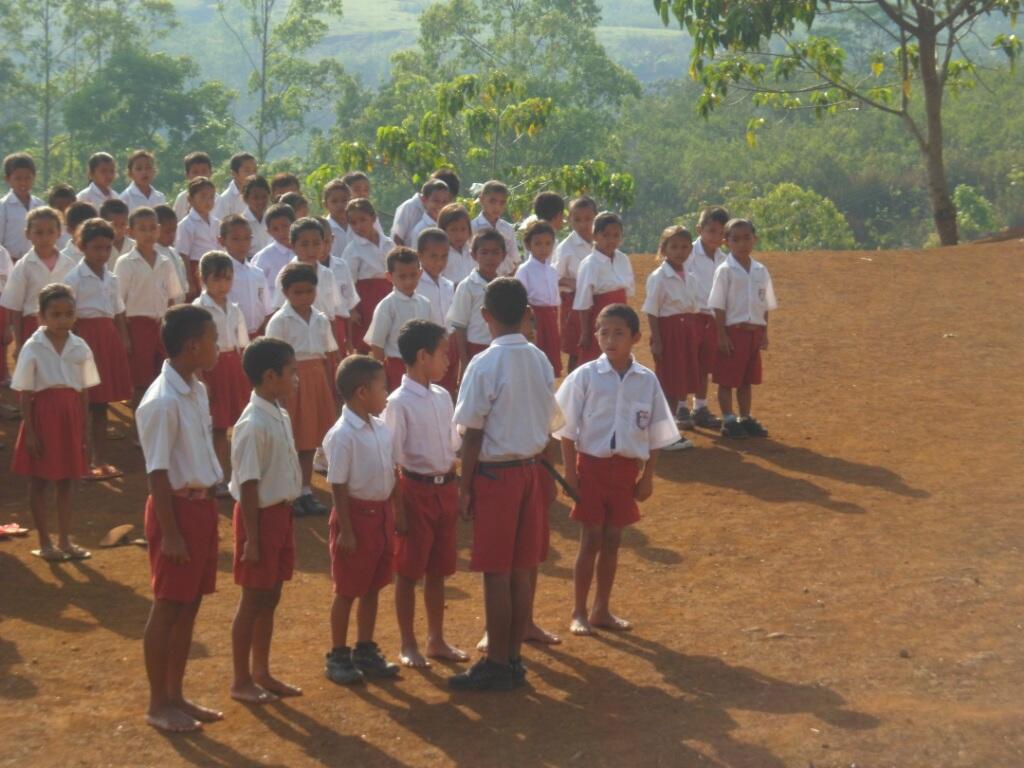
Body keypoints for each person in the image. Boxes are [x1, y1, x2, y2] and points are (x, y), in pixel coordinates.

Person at [448, 277, 558, 691]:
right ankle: (513, 658)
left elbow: (472, 431)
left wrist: (465, 486)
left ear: (485, 317)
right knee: (522, 567)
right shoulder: (540, 359)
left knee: (496, 570)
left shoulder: (484, 363)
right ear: (527, 313)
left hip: (497, 475)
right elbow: (550, 424)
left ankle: (497, 661)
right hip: (531, 469)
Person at [555, 303, 680, 636]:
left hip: (626, 472)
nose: (610, 340)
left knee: (613, 539)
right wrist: (570, 475)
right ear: (595, 335)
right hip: (591, 469)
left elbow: (655, 432)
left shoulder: (647, 381)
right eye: (604, 332)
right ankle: (579, 611)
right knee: (590, 539)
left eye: (619, 333)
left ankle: (602, 609)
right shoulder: (584, 376)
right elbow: (565, 430)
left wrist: (648, 476)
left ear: (636, 338)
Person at [137, 304, 224, 733]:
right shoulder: (162, 401)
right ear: (193, 345)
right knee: (169, 607)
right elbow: (156, 472)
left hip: (200, 506)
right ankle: (158, 703)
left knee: (189, 606)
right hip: (176, 511)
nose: (218, 347)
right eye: (213, 338)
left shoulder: (196, 388)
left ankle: (176, 695)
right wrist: (170, 533)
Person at [384, 320, 468, 667]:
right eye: (443, 353)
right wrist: (398, 509)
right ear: (422, 356)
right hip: (414, 491)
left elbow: (452, 446)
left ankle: (436, 639)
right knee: (408, 572)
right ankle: (408, 643)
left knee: (438, 569)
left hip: (444, 489)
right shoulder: (398, 402)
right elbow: (390, 459)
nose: (448, 360)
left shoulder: (443, 395)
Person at [229, 337, 304, 704]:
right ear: (271, 376)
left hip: (280, 515)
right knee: (252, 599)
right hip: (259, 519)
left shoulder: (279, 411)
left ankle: (262, 671)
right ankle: (241, 679)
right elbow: (248, 483)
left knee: (270, 595)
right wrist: (253, 539)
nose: (296, 380)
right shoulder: (253, 422)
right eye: (292, 372)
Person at [323, 355, 401, 685]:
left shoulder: (380, 427)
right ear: (361, 392)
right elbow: (337, 483)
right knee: (348, 589)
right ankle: (338, 654)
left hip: (380, 515)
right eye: (382, 387)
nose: (387, 393)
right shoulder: (343, 435)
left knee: (373, 585)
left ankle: (365, 648)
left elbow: (392, 474)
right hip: (355, 517)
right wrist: (347, 530)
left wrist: (396, 513)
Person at [11, 284, 98, 562]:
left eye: (68, 314)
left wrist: (85, 427)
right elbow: (25, 392)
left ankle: (65, 540)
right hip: (43, 415)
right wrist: (32, 433)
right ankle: (45, 542)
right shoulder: (33, 346)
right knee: (40, 480)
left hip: (71, 415)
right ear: (41, 316)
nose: (62, 320)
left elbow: (84, 391)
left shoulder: (79, 345)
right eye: (56, 314)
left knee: (67, 480)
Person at [264, 263, 336, 517]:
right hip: (290, 382)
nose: (304, 297)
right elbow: (272, 359)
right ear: (285, 292)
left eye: (309, 291)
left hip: (315, 380)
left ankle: (305, 490)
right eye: (298, 292)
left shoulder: (321, 318)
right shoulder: (279, 321)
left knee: (309, 441)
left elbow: (327, 354)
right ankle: (289, 491)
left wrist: (329, 386)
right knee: (290, 440)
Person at [64, 218, 132, 479]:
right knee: (83, 403)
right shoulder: (73, 278)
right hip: (84, 339)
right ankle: (79, 460)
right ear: (82, 247)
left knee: (101, 403)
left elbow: (118, 312)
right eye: (96, 248)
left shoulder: (112, 278)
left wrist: (124, 337)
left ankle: (99, 460)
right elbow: (68, 316)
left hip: (108, 339)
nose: (102, 254)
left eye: (107, 248)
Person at [708, 218, 778, 439]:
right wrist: (721, 334)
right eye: (735, 239)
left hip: (753, 331)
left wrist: (764, 332)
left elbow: (764, 303)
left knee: (747, 379)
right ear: (726, 242)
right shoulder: (725, 270)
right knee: (727, 379)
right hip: (733, 331)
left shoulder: (760, 270)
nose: (742, 244)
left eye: (747, 238)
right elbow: (717, 305)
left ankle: (745, 417)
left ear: (754, 239)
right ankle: (728, 419)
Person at [194, 251, 251, 497]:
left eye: (227, 279)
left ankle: (237, 476)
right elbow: (194, 347)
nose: (223, 285)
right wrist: (199, 376)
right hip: (211, 367)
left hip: (233, 367)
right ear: (203, 279)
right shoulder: (198, 309)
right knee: (217, 427)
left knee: (238, 424)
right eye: (216, 279)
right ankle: (218, 477)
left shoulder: (234, 308)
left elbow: (243, 344)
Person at [113, 207, 183, 406]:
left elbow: (171, 298)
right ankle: (139, 429)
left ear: (159, 230)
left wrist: (170, 329)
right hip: (136, 327)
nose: (148, 233)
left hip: (160, 325)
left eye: (152, 228)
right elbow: (119, 303)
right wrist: (125, 336)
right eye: (142, 229)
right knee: (140, 382)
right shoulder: (125, 262)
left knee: (162, 377)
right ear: (130, 232)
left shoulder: (165, 261)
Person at [642, 225, 701, 449]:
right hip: (669, 332)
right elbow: (652, 310)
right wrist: (657, 339)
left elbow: (693, 308)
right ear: (664, 249)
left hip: (685, 331)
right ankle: (662, 434)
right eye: (674, 246)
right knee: (668, 382)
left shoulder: (690, 277)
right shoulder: (659, 277)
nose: (680, 251)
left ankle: (670, 430)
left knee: (680, 383)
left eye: (685, 246)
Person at [0, 207, 76, 355]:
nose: (45, 238)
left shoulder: (69, 264)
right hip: (32, 327)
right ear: (27, 234)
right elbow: (16, 308)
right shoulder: (23, 266)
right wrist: (20, 343)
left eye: (50, 232)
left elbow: (75, 301)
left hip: (64, 327)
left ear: (59, 233)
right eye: (39, 232)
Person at [685, 206, 730, 429]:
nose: (716, 237)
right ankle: (680, 407)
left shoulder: (724, 259)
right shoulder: (687, 253)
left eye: (721, 233)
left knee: (705, 365)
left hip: (712, 318)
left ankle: (699, 406)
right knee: (686, 363)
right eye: (711, 231)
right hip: (692, 316)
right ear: (699, 229)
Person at [365, 246, 431, 391]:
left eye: (413, 275)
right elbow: (377, 345)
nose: (408, 281)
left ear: (420, 273)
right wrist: (380, 377)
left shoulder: (425, 303)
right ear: (389, 276)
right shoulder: (387, 306)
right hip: (396, 367)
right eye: (402, 276)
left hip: (422, 366)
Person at [573, 211, 634, 365]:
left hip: (621, 314)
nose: (611, 240)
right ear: (595, 236)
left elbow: (628, 291)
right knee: (597, 359)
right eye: (606, 235)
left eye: (616, 235)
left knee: (620, 357)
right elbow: (583, 302)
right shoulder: (590, 264)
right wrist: (586, 332)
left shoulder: (623, 259)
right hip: (599, 318)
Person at [447, 229, 505, 383]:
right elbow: (459, 326)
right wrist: (464, 362)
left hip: (499, 347)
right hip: (475, 348)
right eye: (484, 252)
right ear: (474, 255)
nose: (490, 258)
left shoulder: (504, 285)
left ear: (503, 255)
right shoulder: (467, 286)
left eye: (495, 252)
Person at [340, 197, 395, 353]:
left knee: (390, 335)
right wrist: (352, 309)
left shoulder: (389, 244)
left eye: (363, 220)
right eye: (353, 222)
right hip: (366, 299)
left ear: (373, 217)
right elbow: (347, 281)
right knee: (368, 340)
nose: (359, 226)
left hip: (389, 290)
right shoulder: (352, 250)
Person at [554, 196, 597, 373]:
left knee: (597, 345)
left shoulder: (600, 242)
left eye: (588, 219)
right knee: (576, 348)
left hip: (596, 301)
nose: (583, 224)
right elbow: (554, 276)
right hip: (573, 303)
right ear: (569, 219)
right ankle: (572, 389)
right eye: (577, 219)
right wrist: (572, 282)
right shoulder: (566, 247)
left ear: (596, 217)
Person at [414, 228, 458, 396]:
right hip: (426, 346)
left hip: (448, 343)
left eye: (444, 256)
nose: (439, 262)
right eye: (433, 256)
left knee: (447, 390)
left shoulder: (448, 285)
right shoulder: (415, 284)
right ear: (420, 255)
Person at [515, 220, 562, 376]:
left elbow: (555, 299)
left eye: (548, 244)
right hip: (534, 317)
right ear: (528, 245)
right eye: (538, 244)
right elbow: (520, 298)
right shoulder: (524, 270)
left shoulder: (552, 271)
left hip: (550, 317)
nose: (544, 248)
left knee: (550, 357)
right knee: (535, 358)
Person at [220, 215, 271, 337]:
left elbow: (266, 308)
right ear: (222, 241)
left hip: (257, 333)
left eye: (247, 238)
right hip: (230, 335)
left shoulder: (257, 273)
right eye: (235, 239)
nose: (242, 244)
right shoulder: (220, 273)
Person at [175, 177, 221, 299]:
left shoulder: (216, 222)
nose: (208, 201)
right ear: (190, 199)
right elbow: (183, 255)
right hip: (196, 269)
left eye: (211, 197)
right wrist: (190, 282)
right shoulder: (187, 224)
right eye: (203, 197)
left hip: (216, 268)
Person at [391, 168, 461, 246]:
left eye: (446, 200)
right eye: (437, 200)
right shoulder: (409, 207)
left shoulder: (444, 213)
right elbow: (396, 238)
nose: (442, 205)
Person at [1, 152, 44, 260]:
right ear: (8, 179)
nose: (23, 182)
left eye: (27, 178)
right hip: (9, 264)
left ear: (34, 177)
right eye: (18, 178)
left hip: (35, 263)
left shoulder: (40, 205)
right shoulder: (3, 207)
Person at [471, 180, 519, 276]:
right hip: (480, 278)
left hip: (505, 277)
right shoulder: (472, 227)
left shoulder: (508, 228)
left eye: (502, 203)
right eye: (492, 201)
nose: (497, 207)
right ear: (481, 200)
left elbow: (514, 259)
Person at [251, 203, 296, 304]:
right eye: (275, 229)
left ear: (294, 224)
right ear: (268, 232)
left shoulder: (304, 251)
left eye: (285, 226)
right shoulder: (263, 257)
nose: (282, 232)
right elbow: (256, 289)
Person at [154, 204, 188, 304]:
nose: (172, 235)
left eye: (174, 230)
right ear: (156, 229)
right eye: (167, 231)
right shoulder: (154, 254)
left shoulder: (173, 252)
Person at [407, 179, 452, 246]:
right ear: (424, 200)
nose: (440, 205)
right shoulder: (420, 230)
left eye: (444, 202)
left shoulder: (452, 226)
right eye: (436, 201)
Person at [438, 203, 474, 284]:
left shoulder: (473, 251)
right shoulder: (440, 255)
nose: (459, 235)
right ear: (443, 230)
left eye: (463, 229)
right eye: (453, 230)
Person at [215, 152, 258, 219]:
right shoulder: (225, 200)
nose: (252, 174)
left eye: (255, 171)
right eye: (247, 171)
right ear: (234, 173)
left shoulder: (259, 195)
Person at [172, 152, 214, 219]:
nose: (200, 175)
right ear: (187, 175)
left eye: (204, 171)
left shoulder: (218, 200)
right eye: (195, 172)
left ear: (211, 173)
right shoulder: (182, 199)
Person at [242, 175, 272, 256]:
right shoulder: (241, 224)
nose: (260, 201)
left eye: (264, 197)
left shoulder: (273, 220)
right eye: (255, 197)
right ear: (246, 198)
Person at [321, 179, 352, 259]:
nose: (340, 205)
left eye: (344, 200)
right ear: (325, 204)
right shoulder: (323, 228)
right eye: (334, 201)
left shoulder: (358, 224)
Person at [47, 184, 77, 249]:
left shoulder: (79, 227)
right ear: (51, 207)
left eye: (68, 208)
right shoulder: (48, 229)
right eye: (60, 209)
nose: (64, 212)